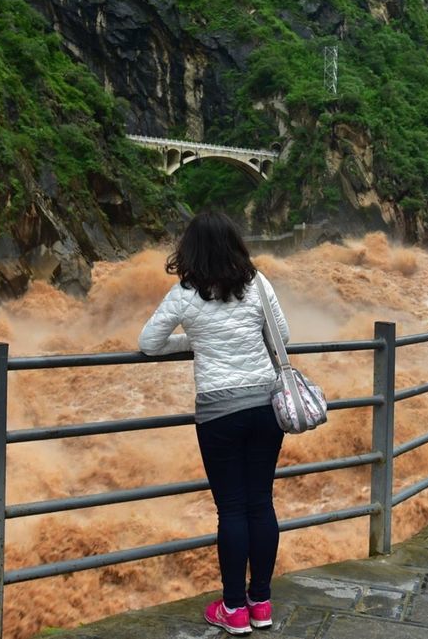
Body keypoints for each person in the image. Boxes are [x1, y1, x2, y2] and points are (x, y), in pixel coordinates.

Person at [139, 211, 289, 634]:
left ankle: (234, 609)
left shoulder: (184, 294)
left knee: (232, 509)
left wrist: (196, 339)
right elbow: (282, 337)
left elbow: (149, 344)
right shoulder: (258, 283)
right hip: (265, 406)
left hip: (219, 413)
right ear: (235, 244)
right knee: (261, 503)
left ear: (190, 250)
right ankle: (261, 604)